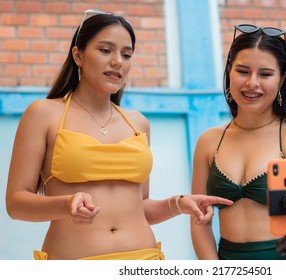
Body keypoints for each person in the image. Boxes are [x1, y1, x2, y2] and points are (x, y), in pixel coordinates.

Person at [5, 10, 232, 260]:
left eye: (126, 54)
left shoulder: (137, 123)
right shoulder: (43, 114)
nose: (118, 62)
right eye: (105, 50)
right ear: (78, 55)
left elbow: (140, 207)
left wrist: (178, 204)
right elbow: (16, 204)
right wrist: (65, 204)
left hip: (144, 261)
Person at [190, 24, 286, 260]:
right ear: (229, 71)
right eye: (242, 71)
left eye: (265, 74)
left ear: (282, 79)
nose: (252, 83)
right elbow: (199, 221)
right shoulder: (209, 142)